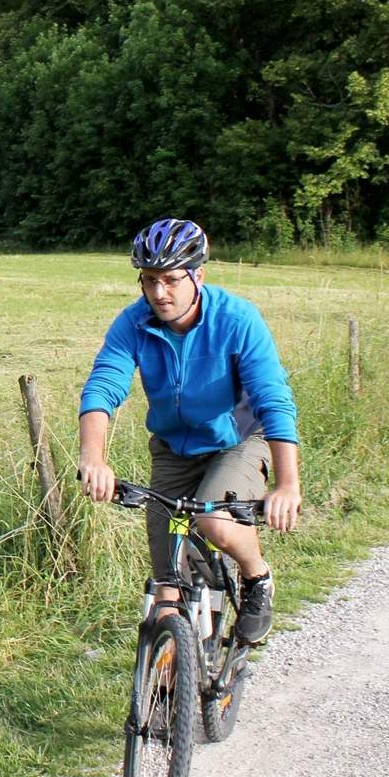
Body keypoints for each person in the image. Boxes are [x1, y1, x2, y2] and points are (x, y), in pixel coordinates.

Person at [74, 218, 302, 644]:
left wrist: (287, 485)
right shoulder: (134, 323)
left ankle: (257, 579)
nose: (159, 293)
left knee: (214, 522)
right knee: (166, 589)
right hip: (174, 452)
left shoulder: (236, 320)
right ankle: (162, 698)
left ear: (198, 274)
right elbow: (103, 385)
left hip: (237, 444)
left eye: (171, 280)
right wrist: (93, 458)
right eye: (149, 280)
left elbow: (274, 400)